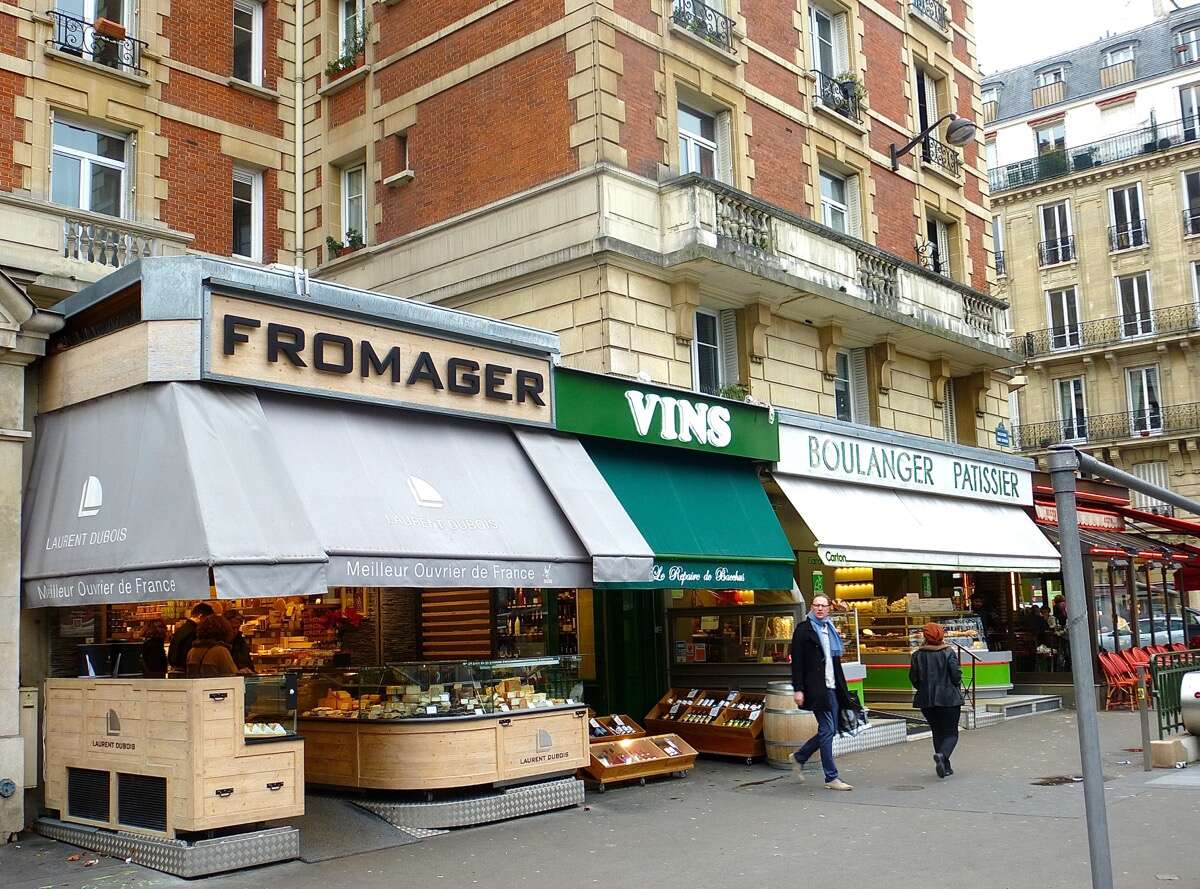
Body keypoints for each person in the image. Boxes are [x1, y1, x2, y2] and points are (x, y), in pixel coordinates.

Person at [789, 594, 856, 791]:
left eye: (823, 605)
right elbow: (797, 662)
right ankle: (831, 777)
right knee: (827, 730)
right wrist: (798, 689)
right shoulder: (803, 630)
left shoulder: (830, 629)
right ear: (811, 607)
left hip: (833, 686)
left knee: (830, 730)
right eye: (816, 605)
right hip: (816, 688)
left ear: (828, 608)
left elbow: (834, 662)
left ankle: (800, 756)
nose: (819, 608)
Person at [909, 622, 964, 779]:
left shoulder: (917, 655)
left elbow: (913, 678)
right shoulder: (948, 652)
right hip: (949, 699)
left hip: (926, 699)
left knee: (937, 731)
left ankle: (945, 766)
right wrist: (955, 685)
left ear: (925, 636)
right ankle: (942, 755)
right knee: (951, 733)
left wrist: (923, 688)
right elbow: (956, 675)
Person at [167, 602, 214, 675]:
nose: (209, 623)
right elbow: (189, 657)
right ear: (200, 616)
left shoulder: (181, 629)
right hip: (186, 672)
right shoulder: (194, 632)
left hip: (176, 672)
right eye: (207, 619)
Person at [223, 610, 256, 674]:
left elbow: (249, 665)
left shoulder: (241, 643)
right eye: (232, 628)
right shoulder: (218, 645)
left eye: (237, 628)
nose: (235, 631)